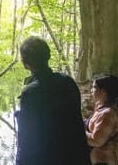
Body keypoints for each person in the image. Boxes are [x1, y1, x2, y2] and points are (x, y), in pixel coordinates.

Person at [15, 36, 89, 165]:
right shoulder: (68, 82)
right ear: (48, 56)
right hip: (75, 155)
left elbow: (27, 140)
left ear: (25, 63)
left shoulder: (31, 93)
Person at [86, 74, 118, 165]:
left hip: (104, 161)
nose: (91, 91)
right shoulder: (100, 106)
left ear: (103, 91)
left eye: (94, 87)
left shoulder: (108, 114)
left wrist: (78, 127)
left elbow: (96, 141)